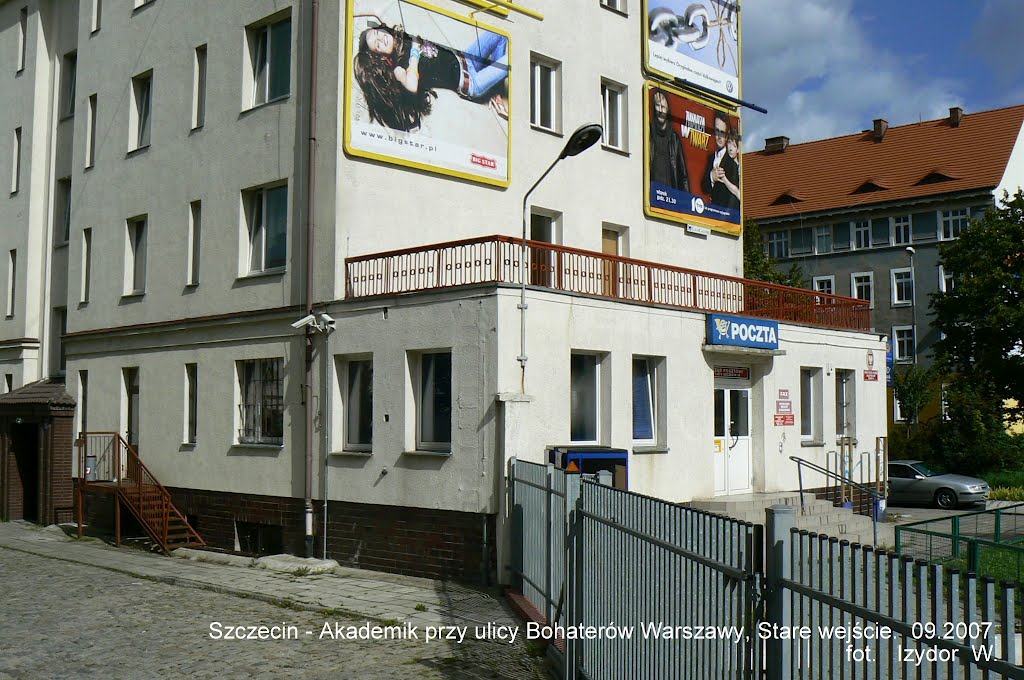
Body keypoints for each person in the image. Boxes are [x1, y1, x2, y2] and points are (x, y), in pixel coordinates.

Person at [354, 23, 509, 131]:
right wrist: (415, 51)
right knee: (512, 60)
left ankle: (496, 91)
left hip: (467, 58)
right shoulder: (398, 68)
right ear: (381, 56)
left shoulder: (400, 37)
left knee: (501, 35)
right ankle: (492, 86)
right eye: (377, 45)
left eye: (377, 33)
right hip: (472, 82)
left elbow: (374, 12)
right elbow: (412, 85)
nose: (381, 39)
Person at [649, 90, 689, 193]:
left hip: (670, 199)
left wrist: (686, 204)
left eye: (663, 107)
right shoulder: (648, 133)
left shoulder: (674, 139)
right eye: (658, 106)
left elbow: (683, 176)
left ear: (668, 109)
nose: (661, 110)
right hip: (652, 195)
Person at [701, 112, 739, 208]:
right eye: (717, 131)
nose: (719, 137)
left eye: (722, 132)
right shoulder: (710, 158)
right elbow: (704, 187)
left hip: (724, 217)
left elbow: (734, 197)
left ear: (727, 135)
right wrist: (711, 177)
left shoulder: (732, 163)